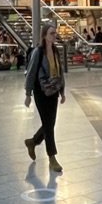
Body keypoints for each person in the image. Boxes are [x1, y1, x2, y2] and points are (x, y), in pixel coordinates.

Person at [24, 23, 65, 172]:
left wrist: (62, 91)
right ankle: (52, 157)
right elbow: (31, 72)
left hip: (53, 91)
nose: (55, 36)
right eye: (52, 33)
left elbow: (60, 71)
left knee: (50, 123)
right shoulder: (38, 52)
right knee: (48, 124)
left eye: (55, 33)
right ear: (44, 36)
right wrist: (28, 94)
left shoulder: (55, 50)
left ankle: (33, 142)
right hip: (41, 92)